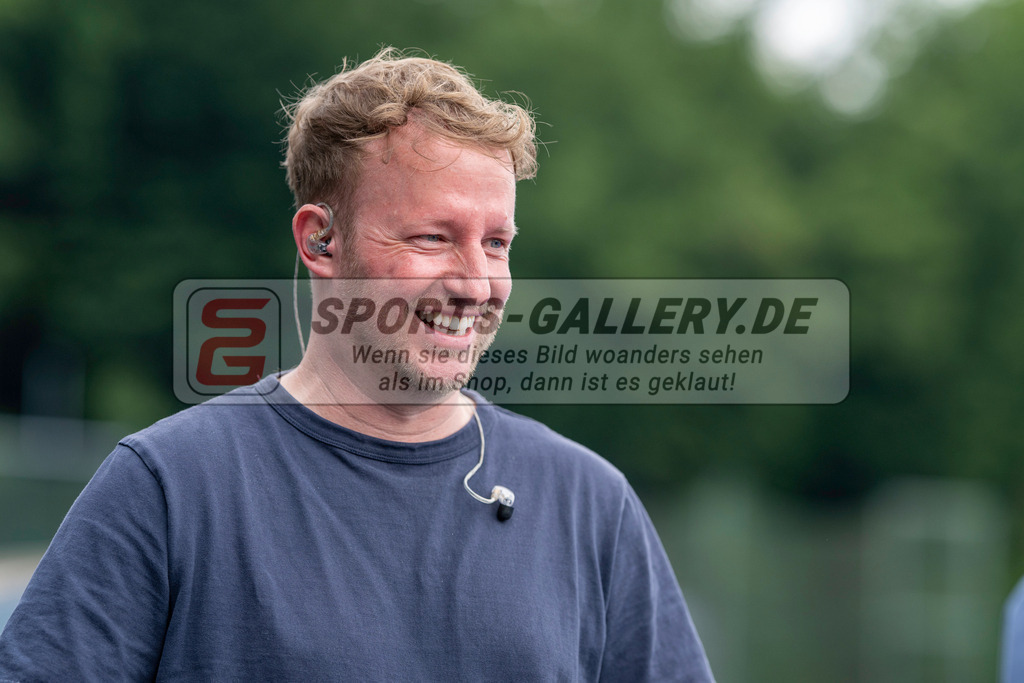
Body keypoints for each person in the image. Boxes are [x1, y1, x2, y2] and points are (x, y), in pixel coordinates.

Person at [0, 48, 714, 680]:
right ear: (320, 241)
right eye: (434, 236)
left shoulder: (591, 506)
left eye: (496, 243)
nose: (475, 282)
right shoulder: (171, 488)